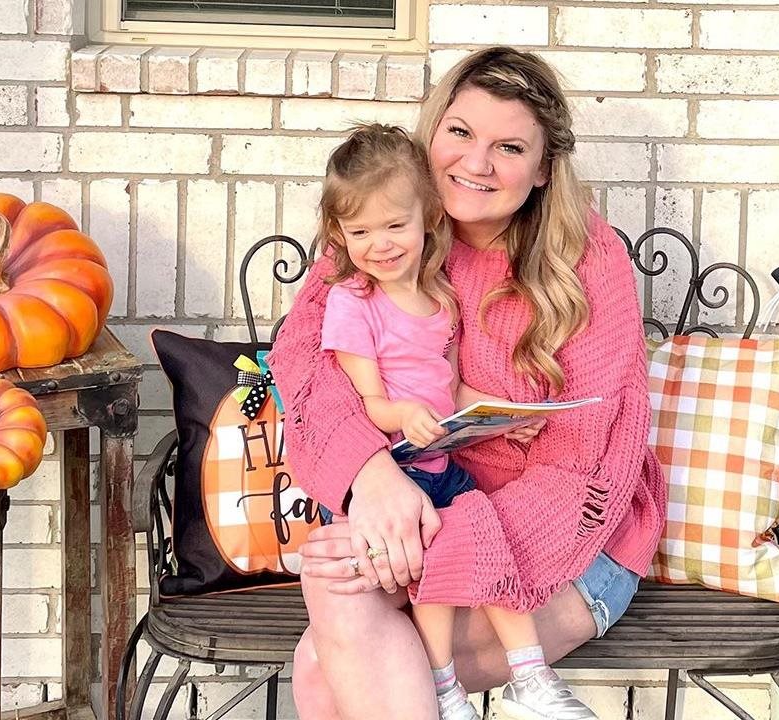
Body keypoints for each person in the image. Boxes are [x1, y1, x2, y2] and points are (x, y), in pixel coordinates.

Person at [267, 47, 668, 720]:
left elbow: (585, 461)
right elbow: (307, 363)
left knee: (323, 658)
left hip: (559, 550)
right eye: (460, 133)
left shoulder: (590, 261)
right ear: (433, 132)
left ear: (544, 169)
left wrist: (436, 536)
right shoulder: (385, 226)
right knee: (334, 594)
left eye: (508, 147)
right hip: (415, 502)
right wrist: (372, 478)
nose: (475, 164)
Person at [311, 123, 575, 720]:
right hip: (395, 476)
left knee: (484, 542)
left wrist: (505, 417)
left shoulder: (438, 298)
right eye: (359, 232)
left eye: (394, 225)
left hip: (440, 465)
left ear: (428, 217)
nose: (379, 244)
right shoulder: (354, 304)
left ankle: (532, 680)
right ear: (339, 234)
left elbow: (449, 387)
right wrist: (404, 415)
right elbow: (365, 405)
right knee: (440, 564)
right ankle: (446, 687)